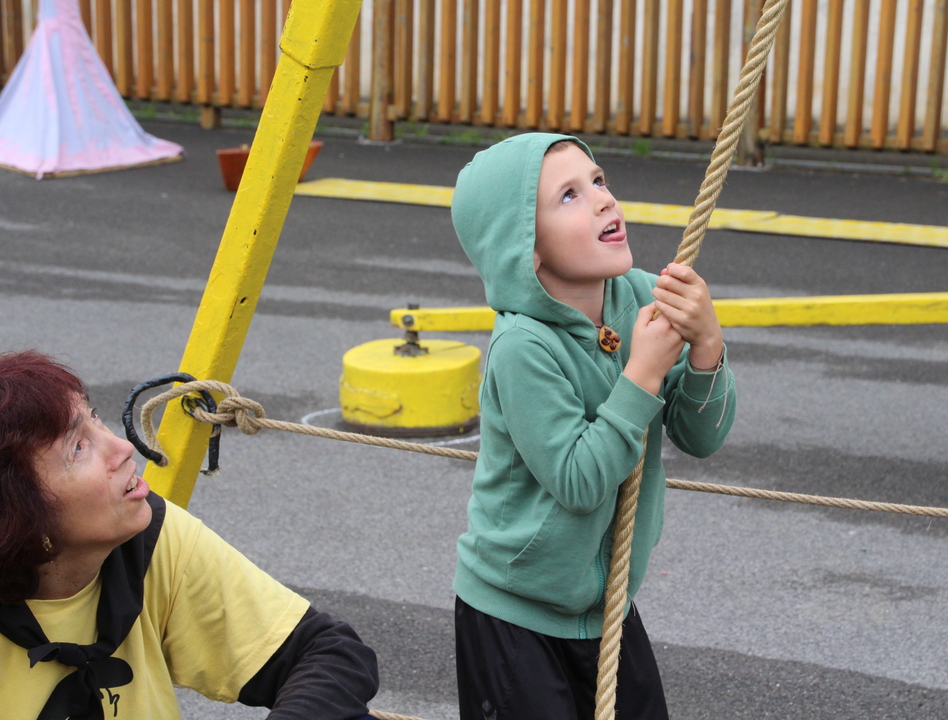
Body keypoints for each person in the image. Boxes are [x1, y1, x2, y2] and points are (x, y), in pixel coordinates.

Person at [450, 133, 737, 719]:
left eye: (599, 180)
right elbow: (578, 481)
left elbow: (701, 437)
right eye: (570, 195)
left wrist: (707, 344)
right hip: (516, 616)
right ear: (525, 248)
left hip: (608, 608)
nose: (604, 199)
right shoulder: (523, 347)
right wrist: (642, 374)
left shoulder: (639, 296)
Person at [0, 351, 379, 720]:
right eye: (79, 447)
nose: (124, 447)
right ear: (17, 509)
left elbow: (326, 653)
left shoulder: (145, 537)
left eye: (94, 417)